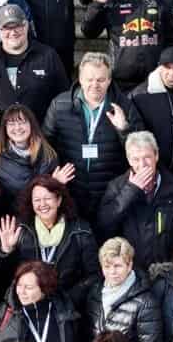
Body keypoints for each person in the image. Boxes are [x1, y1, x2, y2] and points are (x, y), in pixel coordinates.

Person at [43, 52, 136, 219]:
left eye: (101, 80)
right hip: (71, 190)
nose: (95, 85)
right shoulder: (60, 105)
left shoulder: (125, 106)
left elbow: (138, 149)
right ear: (80, 79)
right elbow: (45, 146)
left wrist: (123, 129)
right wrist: (52, 178)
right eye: (89, 79)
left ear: (109, 80)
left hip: (109, 192)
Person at [98, 131, 173, 274]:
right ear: (129, 160)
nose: (142, 164)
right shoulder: (116, 187)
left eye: (147, 157)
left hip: (166, 270)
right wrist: (131, 190)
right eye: (136, 159)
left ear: (156, 156)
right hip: (130, 272)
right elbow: (104, 225)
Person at [0, 4, 67, 127]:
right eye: (7, 28)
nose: (13, 32)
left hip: (39, 131)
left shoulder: (48, 55)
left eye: (17, 26)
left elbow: (63, 95)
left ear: (26, 25)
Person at [88, 237, 164, 342]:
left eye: (118, 266)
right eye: (107, 267)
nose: (112, 272)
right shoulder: (95, 293)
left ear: (129, 266)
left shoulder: (146, 302)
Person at [0, 103, 69, 215]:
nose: (17, 128)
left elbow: (59, 199)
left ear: (31, 124)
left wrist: (56, 184)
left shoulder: (49, 154)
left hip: (45, 219)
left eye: (22, 122)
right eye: (11, 124)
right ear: (5, 128)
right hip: (17, 220)